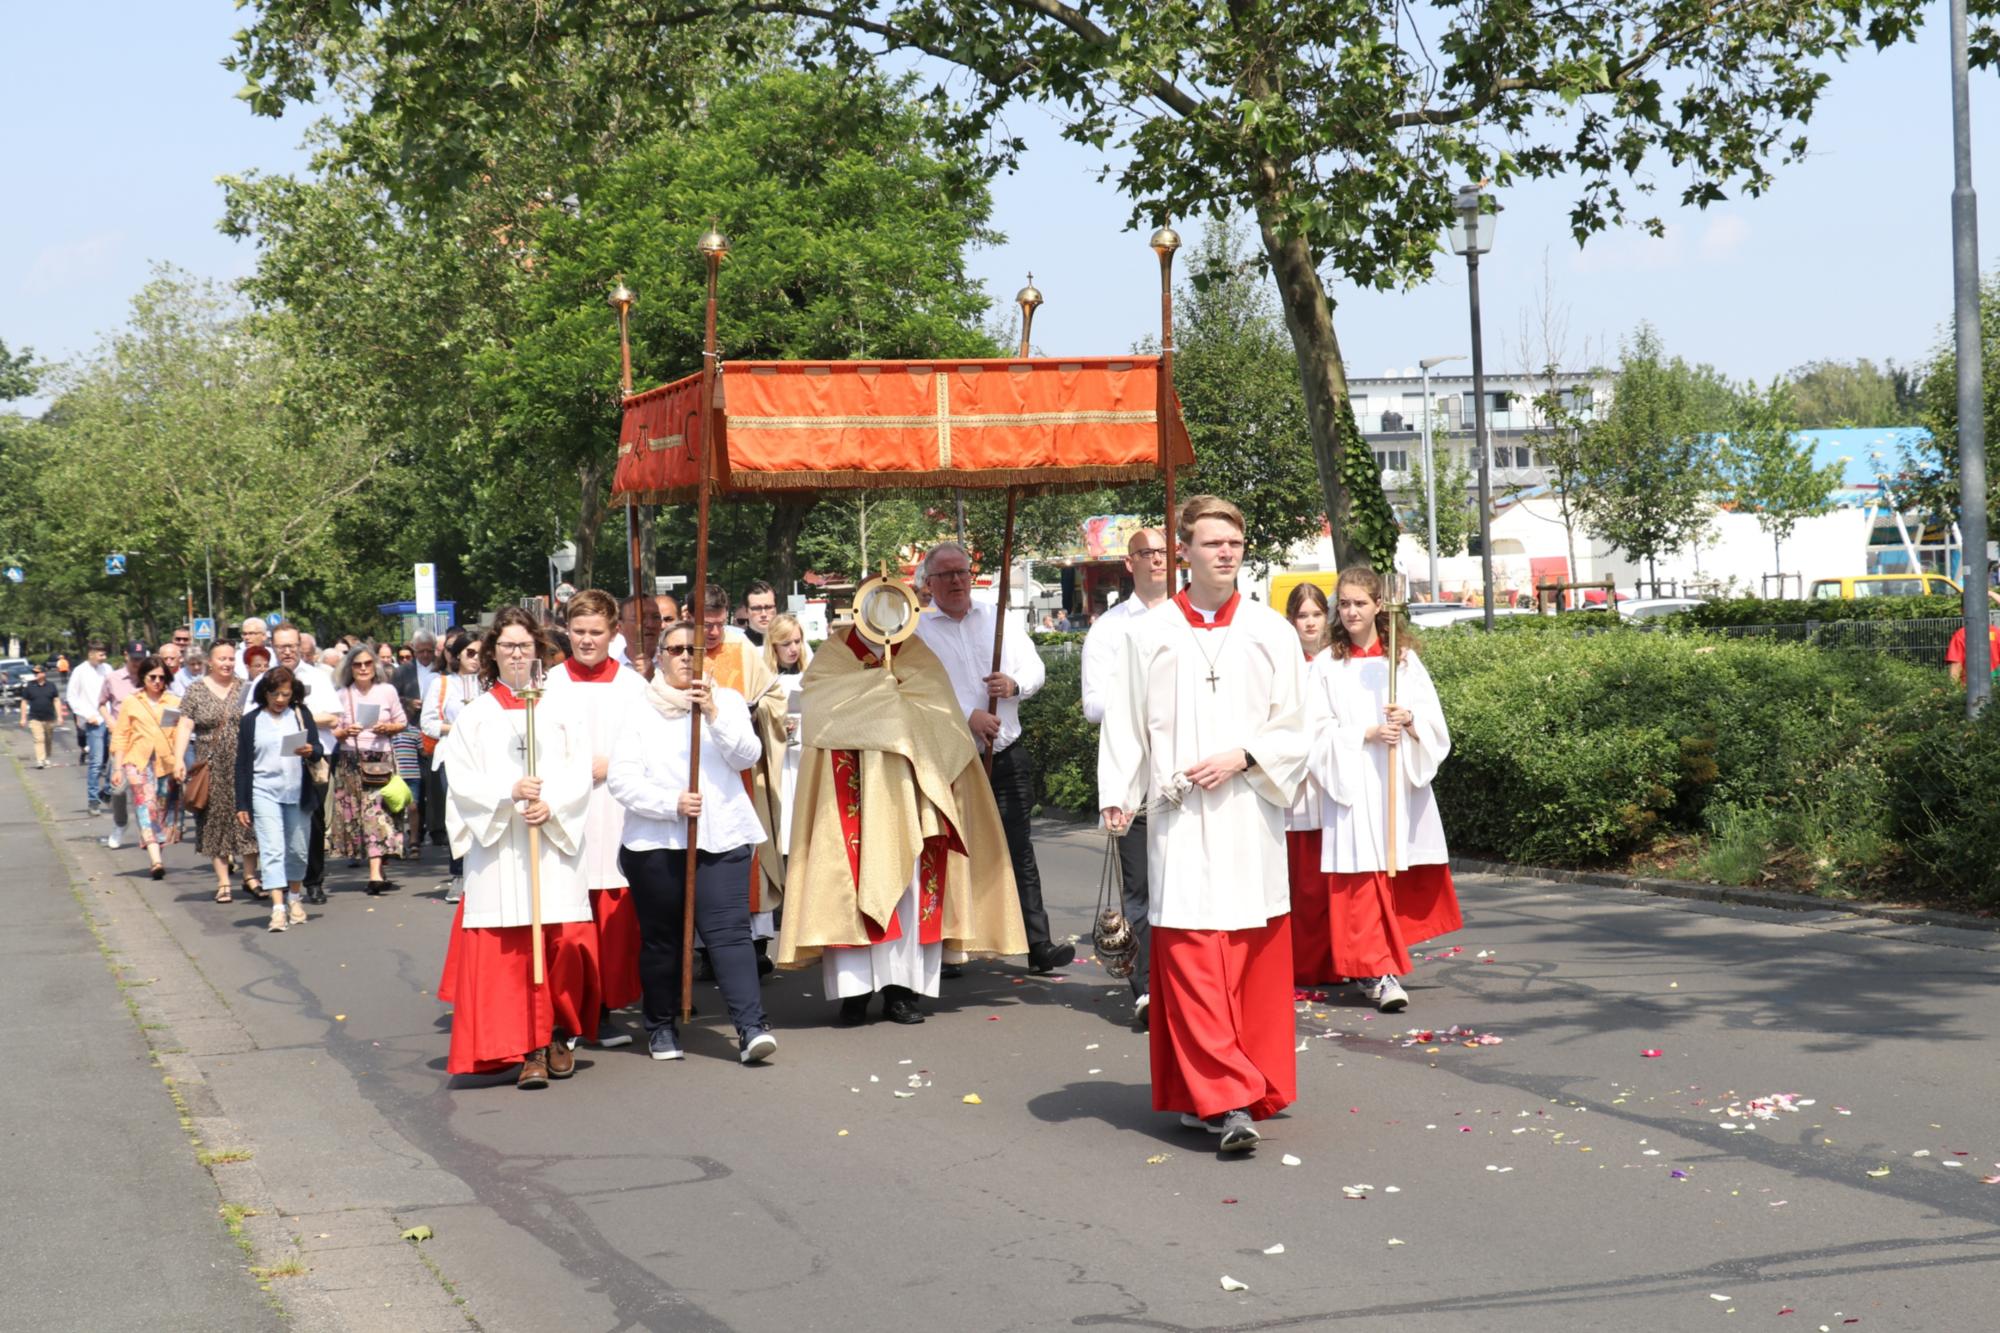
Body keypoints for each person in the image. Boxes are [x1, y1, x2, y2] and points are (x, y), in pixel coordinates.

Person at [1097, 495, 1310, 1154]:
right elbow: (1125, 719)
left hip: (1250, 815)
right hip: (1179, 819)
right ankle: (1228, 1100)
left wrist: (1244, 756)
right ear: (1183, 551)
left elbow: (1297, 727)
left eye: (1235, 543)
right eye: (1212, 542)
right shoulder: (1148, 632)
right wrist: (1117, 791)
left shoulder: (1272, 631)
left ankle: (1218, 1092)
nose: (1225, 552)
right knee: (1191, 957)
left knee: (1247, 958)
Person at [776, 581, 1027, 1024]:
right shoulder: (833, 657)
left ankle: (901, 992)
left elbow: (942, 716)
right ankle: (855, 993)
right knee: (853, 889)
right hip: (851, 794)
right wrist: (884, 696)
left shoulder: (918, 656)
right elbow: (821, 713)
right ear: (861, 609)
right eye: (877, 607)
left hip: (912, 795)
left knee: (909, 891)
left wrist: (887, 701)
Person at [437, 608, 599, 1088]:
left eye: (524, 646)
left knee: (563, 942)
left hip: (551, 842)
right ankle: (527, 1047)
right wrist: (509, 793)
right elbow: (461, 782)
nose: (516, 654)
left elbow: (579, 771)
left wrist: (551, 805)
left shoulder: (561, 710)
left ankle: (558, 1035)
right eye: (506, 646)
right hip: (502, 847)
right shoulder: (475, 716)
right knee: (514, 952)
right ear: (492, 653)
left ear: (538, 651)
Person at [609, 619, 777, 1063]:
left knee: (729, 934)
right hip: (657, 842)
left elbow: (748, 755)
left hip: (721, 838)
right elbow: (621, 780)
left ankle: (750, 1027)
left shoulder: (726, 700)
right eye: (677, 649)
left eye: (693, 650)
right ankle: (661, 1026)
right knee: (663, 939)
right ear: (661, 656)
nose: (686, 657)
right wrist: (671, 803)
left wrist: (715, 715)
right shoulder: (638, 708)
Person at [1305, 567, 1461, 1012]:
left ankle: (1378, 965)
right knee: (1361, 880)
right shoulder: (1326, 666)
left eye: (1360, 603)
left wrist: (1410, 722)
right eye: (1345, 603)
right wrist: (1365, 733)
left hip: (1395, 782)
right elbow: (1314, 732)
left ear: (1379, 606)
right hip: (1352, 784)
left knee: (1390, 874)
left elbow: (1434, 723)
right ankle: (1375, 970)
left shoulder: (1403, 662)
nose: (1351, 611)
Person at [914, 542, 1073, 973]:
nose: (956, 581)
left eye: (962, 572)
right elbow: (916, 695)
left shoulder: (998, 618)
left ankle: (1038, 944)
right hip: (951, 762)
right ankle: (948, 947)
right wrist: (968, 717)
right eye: (945, 575)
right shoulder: (919, 636)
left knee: (1017, 850)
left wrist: (1014, 684)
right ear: (928, 584)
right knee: (950, 853)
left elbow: (1036, 668)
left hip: (1005, 755)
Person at [545, 590, 651, 1047]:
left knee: (611, 915)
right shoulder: (548, 682)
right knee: (568, 917)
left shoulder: (633, 686)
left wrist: (613, 763)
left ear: (614, 633)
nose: (586, 641)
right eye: (578, 631)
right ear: (567, 630)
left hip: (615, 807)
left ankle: (604, 1007)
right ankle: (567, 1010)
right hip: (565, 810)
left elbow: (651, 741)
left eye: (596, 632)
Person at [1078, 527, 1173, 1027]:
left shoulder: (1191, 621)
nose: (1156, 560)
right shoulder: (1110, 629)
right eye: (1145, 553)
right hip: (1136, 775)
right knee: (1139, 889)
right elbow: (1093, 705)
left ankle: (1184, 983)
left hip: (1189, 775)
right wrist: (1142, 698)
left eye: (1163, 551)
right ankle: (1145, 986)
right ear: (1129, 563)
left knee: (1184, 885)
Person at [696, 583, 789, 955]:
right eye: (707, 624)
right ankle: (705, 949)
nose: (714, 633)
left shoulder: (742, 650)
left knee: (746, 854)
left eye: (719, 624)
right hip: (699, 773)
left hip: (741, 771)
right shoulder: (682, 651)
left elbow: (774, 696)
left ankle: (755, 945)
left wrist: (756, 712)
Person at [235, 666, 326, 932]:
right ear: (264, 692)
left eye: (285, 694)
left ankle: (294, 898)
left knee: (298, 849)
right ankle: (277, 909)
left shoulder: (300, 714)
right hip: (264, 791)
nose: (280, 700)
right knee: (272, 849)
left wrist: (311, 750)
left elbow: (318, 748)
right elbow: (242, 764)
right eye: (275, 694)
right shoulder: (250, 720)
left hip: (298, 791)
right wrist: (241, 803)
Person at [172, 641, 261, 903]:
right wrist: (178, 758)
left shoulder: (245, 687)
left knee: (246, 818)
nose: (227, 663)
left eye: (231, 659)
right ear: (210, 662)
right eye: (222, 659)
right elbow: (185, 726)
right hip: (210, 764)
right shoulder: (196, 690)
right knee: (214, 821)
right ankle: (223, 882)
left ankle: (250, 876)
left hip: (243, 761)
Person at [1282, 582, 1337, 987]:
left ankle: (1342, 961)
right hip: (1297, 782)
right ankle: (1303, 963)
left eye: (1317, 614)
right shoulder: (1284, 664)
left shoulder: (1339, 661)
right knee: (1303, 884)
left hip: (1335, 780)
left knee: (1333, 882)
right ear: (1292, 620)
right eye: (1303, 615)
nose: (1311, 623)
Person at [263, 625, 340, 904]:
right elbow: (252, 716)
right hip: (275, 761)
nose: (287, 651)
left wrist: (296, 716)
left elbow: (332, 718)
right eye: (281, 646)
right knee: (276, 822)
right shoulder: (264, 679)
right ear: (273, 646)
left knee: (314, 821)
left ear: (301, 646)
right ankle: (280, 883)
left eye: (291, 645)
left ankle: (314, 880)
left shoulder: (318, 677)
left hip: (313, 759)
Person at [330, 643, 408, 893]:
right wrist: (345, 732)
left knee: (377, 813)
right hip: (351, 760)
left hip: (381, 759)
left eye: (367, 664)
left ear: (375, 666)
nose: (363, 669)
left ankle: (375, 874)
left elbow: (402, 722)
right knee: (362, 816)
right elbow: (333, 732)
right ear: (350, 668)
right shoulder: (343, 694)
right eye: (357, 664)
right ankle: (378, 871)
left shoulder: (387, 691)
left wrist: (386, 728)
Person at [108, 655, 185, 880]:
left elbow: (181, 733)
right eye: (152, 677)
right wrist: (117, 768)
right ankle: (156, 860)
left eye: (162, 677)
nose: (157, 681)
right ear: (143, 677)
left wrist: (180, 761)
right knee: (145, 807)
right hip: (137, 762)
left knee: (161, 809)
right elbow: (121, 735)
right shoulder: (132, 702)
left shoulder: (174, 702)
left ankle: (156, 848)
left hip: (166, 763)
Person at [423, 632, 485, 903]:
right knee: (457, 815)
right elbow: (427, 724)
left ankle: (482, 873)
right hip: (453, 754)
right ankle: (458, 874)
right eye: (470, 653)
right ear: (457, 655)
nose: (475, 659)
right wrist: (459, 727)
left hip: (484, 756)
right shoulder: (442, 684)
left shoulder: (490, 684)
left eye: (481, 653)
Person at [394, 631, 445, 849]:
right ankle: (416, 829)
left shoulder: (440, 670)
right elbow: (392, 696)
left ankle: (436, 828)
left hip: (431, 732)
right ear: (413, 651)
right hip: (409, 730)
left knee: (433, 782)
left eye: (429, 651)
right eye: (420, 651)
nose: (425, 655)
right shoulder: (402, 672)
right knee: (413, 784)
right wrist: (407, 702)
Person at [98, 642, 150, 848]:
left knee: (144, 789)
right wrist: (109, 720)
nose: (138, 662)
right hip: (121, 742)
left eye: (141, 658)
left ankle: (146, 830)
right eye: (134, 658)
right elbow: (101, 703)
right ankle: (120, 824)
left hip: (145, 741)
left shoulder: (150, 677)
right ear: (126, 655)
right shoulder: (113, 678)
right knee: (118, 789)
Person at [68, 641, 115, 813]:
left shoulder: (108, 669)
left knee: (117, 759)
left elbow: (114, 693)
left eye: (105, 654)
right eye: (101, 654)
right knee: (96, 761)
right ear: (91, 654)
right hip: (94, 721)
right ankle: (93, 800)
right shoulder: (80, 671)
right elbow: (72, 697)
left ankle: (108, 790)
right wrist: (87, 716)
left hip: (110, 719)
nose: (104, 657)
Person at [17, 662, 65, 768]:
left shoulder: (51, 686)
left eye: (38, 672)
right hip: (35, 717)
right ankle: (40, 760)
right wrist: (23, 718)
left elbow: (56, 700)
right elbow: (24, 702)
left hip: (49, 718)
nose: (35, 674)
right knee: (39, 739)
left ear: (44, 673)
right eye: (34, 673)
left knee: (48, 739)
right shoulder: (30, 686)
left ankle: (45, 757)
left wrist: (60, 716)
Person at [1945, 620, 1999, 687]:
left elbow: (1956, 664)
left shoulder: (1962, 634)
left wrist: (1952, 688)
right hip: (1996, 686)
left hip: (1969, 688)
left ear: (1963, 611)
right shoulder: (1996, 632)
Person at [741, 580, 778, 648]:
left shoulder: (787, 643)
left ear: (776, 609)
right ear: (746, 611)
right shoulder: (739, 646)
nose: (763, 614)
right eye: (757, 608)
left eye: (768, 607)